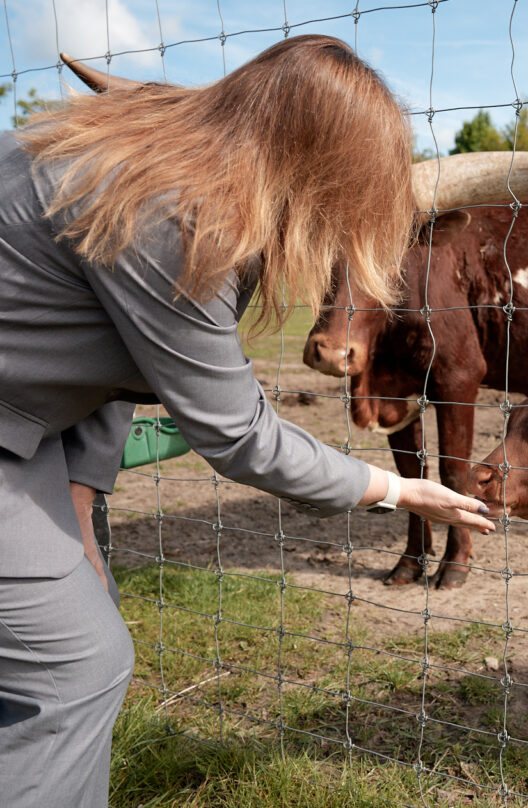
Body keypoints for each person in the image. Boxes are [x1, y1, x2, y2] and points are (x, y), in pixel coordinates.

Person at [0, 35, 493, 808]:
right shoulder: (181, 221)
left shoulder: (149, 168)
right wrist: (399, 492)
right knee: (75, 666)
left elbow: (106, 344)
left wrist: (84, 493)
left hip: (18, 427)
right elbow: (237, 435)